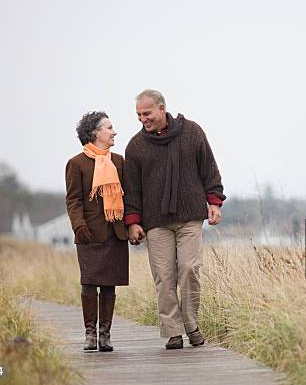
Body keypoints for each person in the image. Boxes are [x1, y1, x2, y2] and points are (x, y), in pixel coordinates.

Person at [124, 89, 225, 350]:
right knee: (164, 276)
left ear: (161, 108)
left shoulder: (191, 132)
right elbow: (132, 189)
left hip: (190, 215)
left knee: (190, 269)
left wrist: (214, 201)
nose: (142, 119)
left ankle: (191, 325)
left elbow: (209, 169)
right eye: (138, 115)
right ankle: (172, 331)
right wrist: (133, 221)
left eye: (147, 113)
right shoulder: (135, 146)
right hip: (155, 221)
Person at [65, 111, 129, 352]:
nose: (114, 132)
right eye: (109, 128)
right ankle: (90, 334)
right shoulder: (76, 163)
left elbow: (128, 195)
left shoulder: (119, 161)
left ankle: (105, 335)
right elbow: (73, 200)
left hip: (115, 231)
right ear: (95, 133)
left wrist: (132, 224)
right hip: (89, 233)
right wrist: (79, 226)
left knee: (109, 284)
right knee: (89, 283)